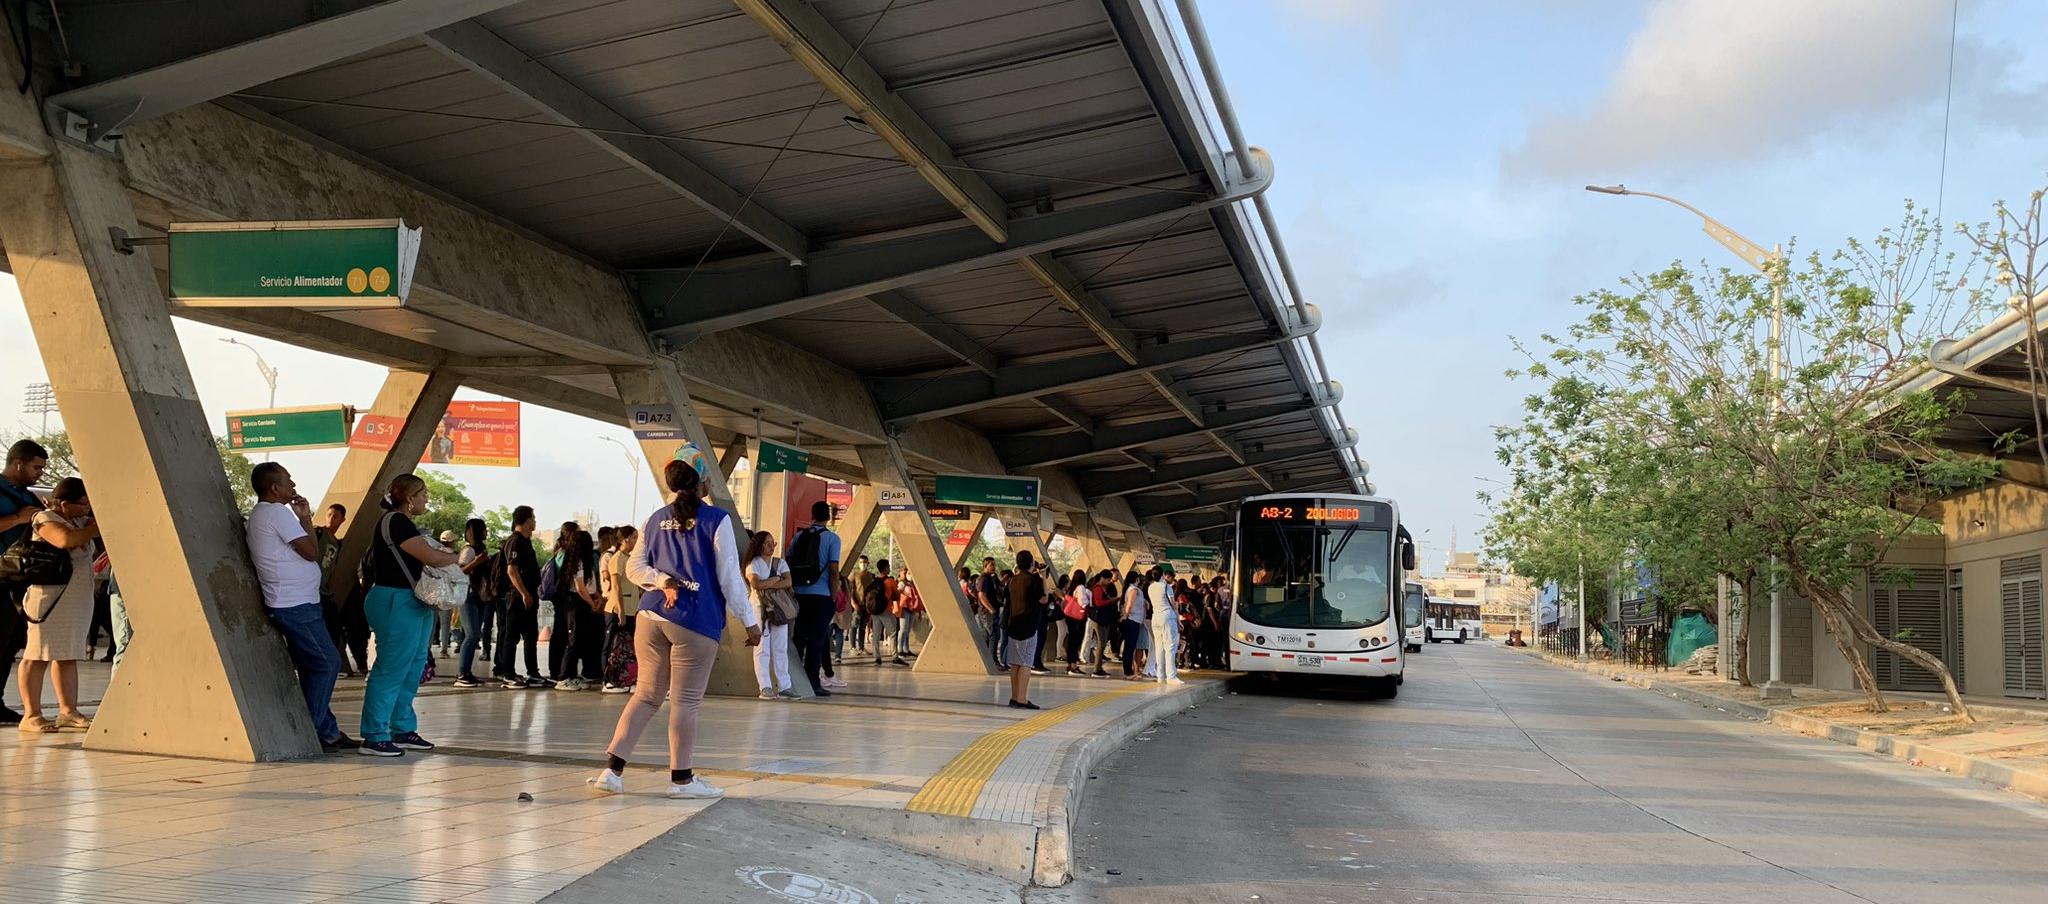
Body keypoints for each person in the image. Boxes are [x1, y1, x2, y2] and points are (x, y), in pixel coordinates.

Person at [591, 459, 760, 799]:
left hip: (651, 617)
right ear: (703, 484)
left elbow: (635, 568)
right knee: (685, 702)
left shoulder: (654, 520)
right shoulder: (717, 519)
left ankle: (612, 770)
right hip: (695, 620)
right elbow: (728, 575)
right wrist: (751, 622)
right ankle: (681, 780)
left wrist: (661, 579)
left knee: (646, 695)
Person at [244, 463, 356, 750]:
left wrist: (304, 516)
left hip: (298, 601)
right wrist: (303, 519)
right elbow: (310, 552)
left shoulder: (265, 514)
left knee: (313, 666)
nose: (293, 486)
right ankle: (311, 727)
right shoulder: (276, 514)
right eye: (288, 481)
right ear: (274, 488)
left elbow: (309, 550)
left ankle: (328, 731)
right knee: (328, 663)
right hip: (294, 604)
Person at [358, 474, 461, 756]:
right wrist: (459, 558)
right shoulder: (396, 520)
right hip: (394, 599)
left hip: (412, 601)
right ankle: (374, 735)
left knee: (412, 667)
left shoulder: (403, 522)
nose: (426, 499)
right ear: (409, 497)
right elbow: (431, 557)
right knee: (391, 668)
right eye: (423, 494)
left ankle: (400, 728)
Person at [15, 477, 97, 733]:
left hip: (76, 596)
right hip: (49, 598)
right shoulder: (44, 518)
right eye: (82, 503)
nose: (86, 508)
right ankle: (31, 714)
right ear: (64, 503)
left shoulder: (82, 522)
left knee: (68, 653)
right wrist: (96, 528)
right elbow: (64, 541)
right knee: (36, 655)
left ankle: (68, 710)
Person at [0, 439, 49, 725]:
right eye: (36, 467)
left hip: (20, 578)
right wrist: (18, 518)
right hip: (1, 573)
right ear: (19, 463)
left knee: (11, 641)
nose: (39, 473)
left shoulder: (29, 496)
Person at [786, 501, 844, 696]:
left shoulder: (798, 537)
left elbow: (789, 563)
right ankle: (813, 682)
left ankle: (792, 679)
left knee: (799, 638)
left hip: (800, 595)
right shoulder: (832, 539)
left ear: (812, 515)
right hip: (821, 597)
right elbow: (834, 571)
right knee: (817, 640)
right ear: (828, 517)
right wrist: (834, 595)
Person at [495, 506, 547, 688]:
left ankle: (533, 672)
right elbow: (512, 569)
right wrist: (524, 593)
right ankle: (507, 673)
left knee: (530, 634)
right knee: (512, 635)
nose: (535, 522)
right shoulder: (515, 541)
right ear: (525, 521)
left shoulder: (526, 541)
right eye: (533, 518)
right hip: (517, 596)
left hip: (529, 594)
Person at [744, 530, 798, 699]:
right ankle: (765, 686)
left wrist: (768, 583)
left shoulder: (779, 563)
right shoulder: (753, 564)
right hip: (759, 608)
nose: (771, 546)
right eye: (767, 543)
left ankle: (785, 686)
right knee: (762, 648)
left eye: (772, 542)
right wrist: (776, 580)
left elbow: (788, 581)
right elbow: (756, 584)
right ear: (758, 545)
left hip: (778, 609)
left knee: (780, 647)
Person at [314, 503, 366, 678]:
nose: (331, 519)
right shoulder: (317, 533)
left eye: (335, 516)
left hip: (323, 591)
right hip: (310, 589)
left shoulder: (337, 543)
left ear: (343, 519)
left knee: (334, 628)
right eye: (329, 515)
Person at [1002, 551, 1046, 709]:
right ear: (1031, 563)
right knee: (1026, 663)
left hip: (1014, 625)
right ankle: (1022, 699)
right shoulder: (1033, 580)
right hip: (1028, 626)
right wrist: (1043, 578)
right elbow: (1044, 599)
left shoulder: (1012, 580)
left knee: (1015, 664)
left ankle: (1014, 697)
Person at [453, 519, 494, 688]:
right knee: (472, 635)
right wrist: (477, 561)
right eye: (483, 529)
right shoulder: (469, 550)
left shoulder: (480, 549)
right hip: (469, 595)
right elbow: (460, 571)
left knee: (474, 634)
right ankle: (462, 673)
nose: (486, 532)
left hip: (479, 596)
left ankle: (467, 672)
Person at [601, 526, 639, 694]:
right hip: (618, 609)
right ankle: (608, 680)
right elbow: (615, 586)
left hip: (632, 609)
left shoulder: (629, 558)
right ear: (625, 539)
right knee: (611, 645)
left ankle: (625, 678)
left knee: (627, 646)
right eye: (634, 538)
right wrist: (621, 611)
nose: (636, 542)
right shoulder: (616, 559)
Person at [1146, 565, 1182, 684]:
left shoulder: (1150, 587)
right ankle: (1171, 676)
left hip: (1155, 617)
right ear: (1162, 575)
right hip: (1167, 616)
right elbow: (1174, 605)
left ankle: (1160, 676)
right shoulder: (1166, 587)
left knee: (1159, 647)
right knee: (1170, 647)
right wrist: (1178, 621)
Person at [867, 558, 905, 667]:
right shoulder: (890, 581)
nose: (889, 568)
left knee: (876, 634)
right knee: (893, 633)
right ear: (885, 568)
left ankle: (877, 657)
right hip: (886, 610)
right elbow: (897, 596)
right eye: (888, 566)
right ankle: (895, 657)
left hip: (875, 611)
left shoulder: (874, 581)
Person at [978, 557, 1008, 669]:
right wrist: (991, 609)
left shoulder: (991, 578)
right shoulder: (984, 579)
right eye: (992, 565)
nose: (994, 567)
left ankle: (989, 660)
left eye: (994, 565)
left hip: (991, 610)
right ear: (985, 566)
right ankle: (993, 661)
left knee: (991, 636)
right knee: (993, 635)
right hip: (987, 612)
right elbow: (981, 595)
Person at [1121, 569, 1149, 679]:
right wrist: (1126, 615)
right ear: (1136, 579)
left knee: (1130, 646)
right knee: (1130, 647)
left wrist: (1145, 602)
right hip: (1133, 620)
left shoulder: (1131, 589)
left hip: (1135, 620)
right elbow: (1130, 604)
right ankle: (1128, 672)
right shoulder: (1133, 589)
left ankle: (1129, 670)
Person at [1062, 569, 1090, 674]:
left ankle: (1070, 664)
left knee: (1071, 641)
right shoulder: (1081, 587)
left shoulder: (1071, 588)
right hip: (1078, 618)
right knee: (1076, 641)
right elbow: (1082, 602)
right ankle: (1074, 665)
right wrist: (1089, 602)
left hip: (1070, 617)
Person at [895, 572, 923, 660]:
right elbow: (897, 593)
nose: (911, 575)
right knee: (903, 630)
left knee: (907, 630)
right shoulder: (902, 583)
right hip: (904, 608)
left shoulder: (913, 584)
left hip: (912, 609)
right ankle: (899, 649)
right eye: (909, 573)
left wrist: (919, 612)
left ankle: (906, 649)